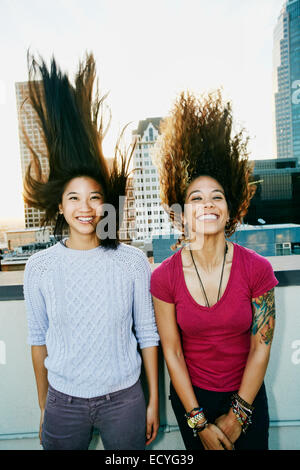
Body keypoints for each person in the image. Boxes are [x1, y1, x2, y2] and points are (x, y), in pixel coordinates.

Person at [22, 53, 159, 450]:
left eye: (94, 197)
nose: (85, 208)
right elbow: (37, 341)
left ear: (106, 204)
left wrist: (151, 402)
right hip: (63, 401)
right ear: (60, 207)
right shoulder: (40, 267)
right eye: (74, 198)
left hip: (125, 400)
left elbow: (148, 335)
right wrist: (45, 405)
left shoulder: (132, 261)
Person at [150, 91, 278, 450]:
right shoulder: (163, 277)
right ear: (182, 210)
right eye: (195, 197)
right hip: (193, 401)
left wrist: (239, 415)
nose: (207, 203)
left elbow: (261, 347)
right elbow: (172, 353)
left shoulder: (258, 269)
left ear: (231, 206)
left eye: (217, 196)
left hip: (248, 398)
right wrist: (199, 422)